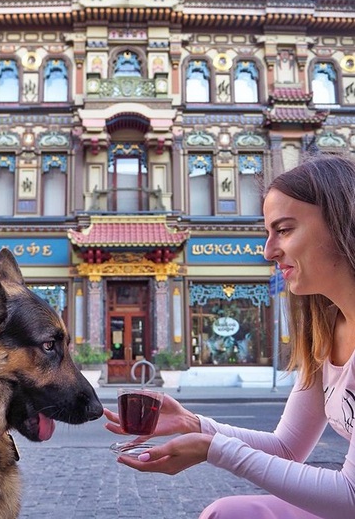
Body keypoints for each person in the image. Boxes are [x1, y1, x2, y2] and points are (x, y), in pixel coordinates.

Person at [104, 154, 355, 518]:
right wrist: (196, 424)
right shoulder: (324, 334)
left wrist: (213, 449)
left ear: (342, 222)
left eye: (283, 230)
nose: (269, 250)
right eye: (268, 232)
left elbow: (350, 497)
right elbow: (286, 448)